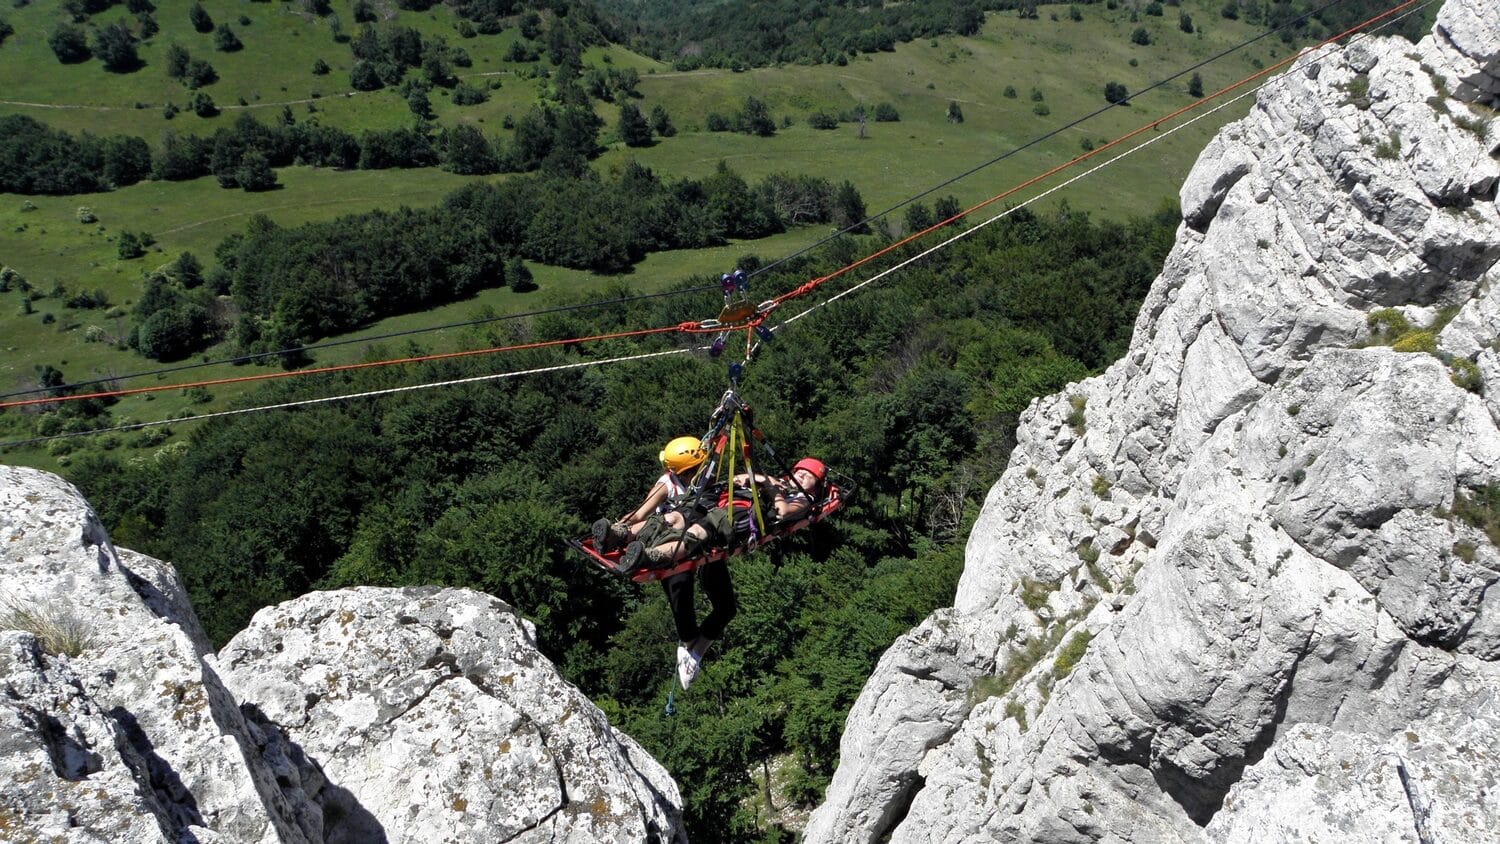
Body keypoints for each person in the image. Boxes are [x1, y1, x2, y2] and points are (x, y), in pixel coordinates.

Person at [621, 457, 828, 689]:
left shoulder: (803, 497)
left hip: (735, 516)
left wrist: (765, 484)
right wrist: (757, 481)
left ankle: (648, 555)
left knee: (697, 537)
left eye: (808, 476)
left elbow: (782, 510)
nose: (801, 476)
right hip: (719, 505)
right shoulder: (777, 481)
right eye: (799, 471)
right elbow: (736, 479)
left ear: (816, 486)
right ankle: (621, 535)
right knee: (676, 520)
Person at [592, 436, 707, 552]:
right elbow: (639, 514)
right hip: (663, 531)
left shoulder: (703, 479)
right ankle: (619, 535)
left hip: (689, 532)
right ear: (692, 469)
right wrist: (617, 528)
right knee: (665, 521)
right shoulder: (666, 486)